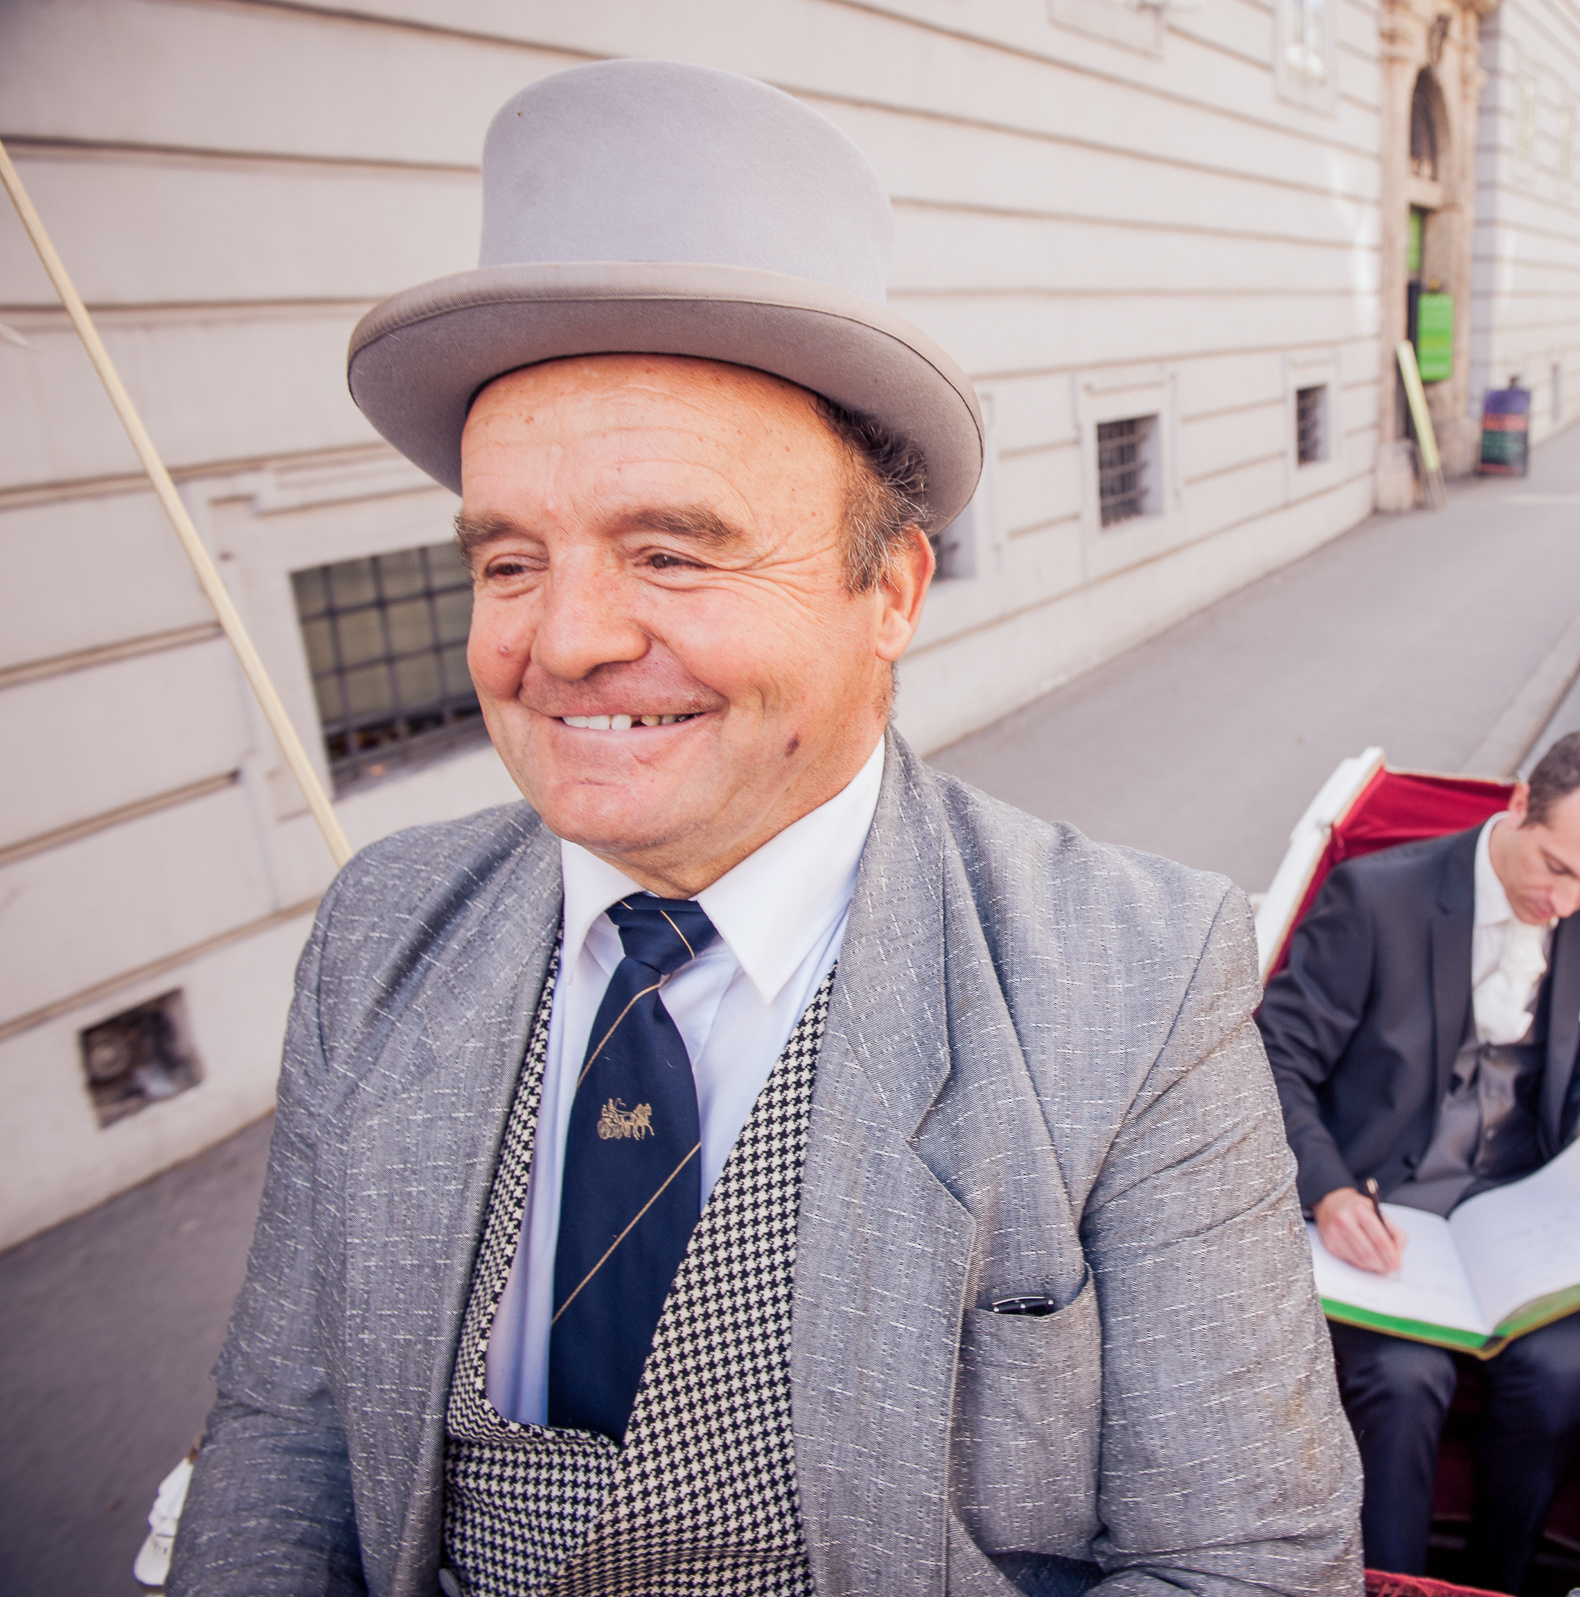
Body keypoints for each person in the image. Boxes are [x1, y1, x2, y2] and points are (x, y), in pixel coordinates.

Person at [168, 60, 1359, 1597]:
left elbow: (1245, 1564)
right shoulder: (380, 933)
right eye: (511, 560)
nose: (568, 640)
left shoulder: (1134, 978)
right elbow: (288, 1440)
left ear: (893, 593)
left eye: (670, 551)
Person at [1259, 732, 1580, 1592]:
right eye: (1557, 867)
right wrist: (1328, 1190)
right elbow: (1275, 1058)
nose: (1567, 900)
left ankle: (1501, 1579)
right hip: (1381, 1198)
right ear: (1518, 803)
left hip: (1514, 1203)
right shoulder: (1379, 898)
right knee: (1404, 1376)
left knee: (1566, 1369)